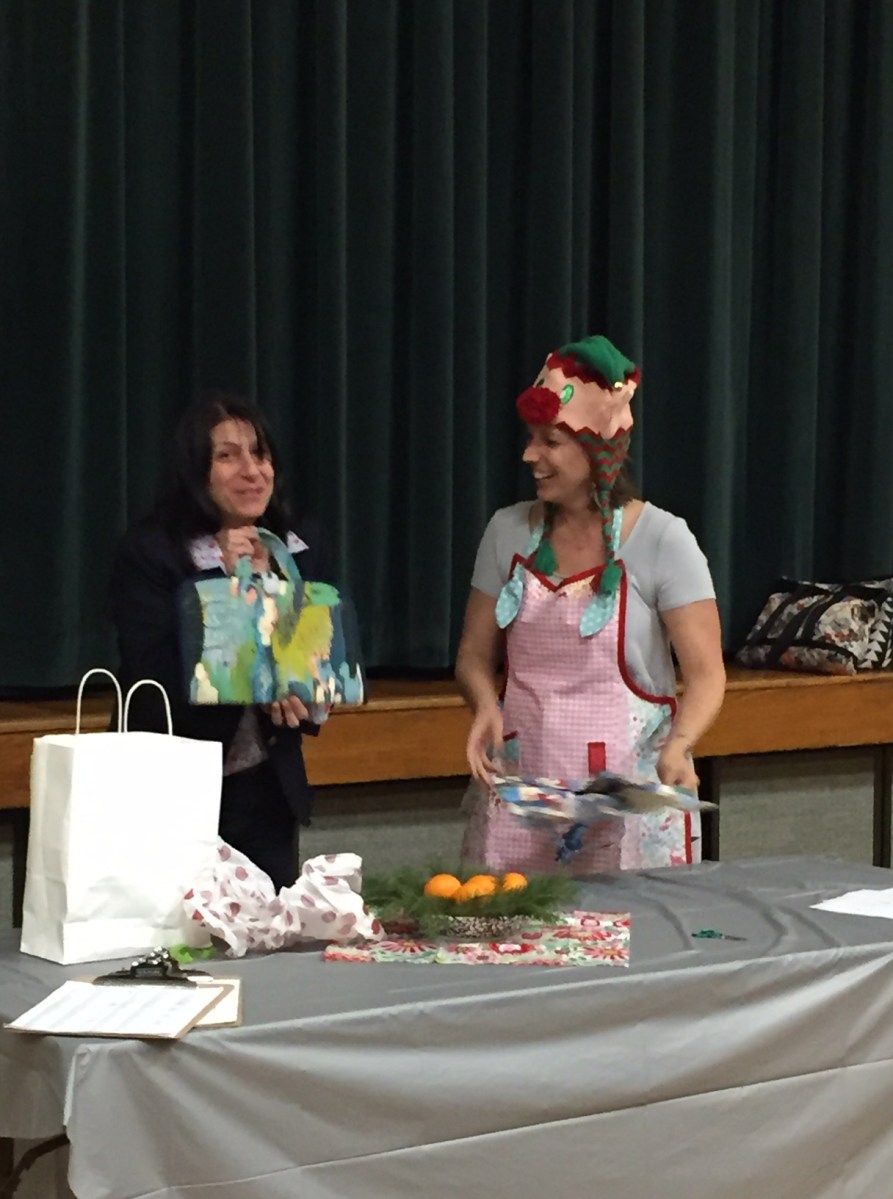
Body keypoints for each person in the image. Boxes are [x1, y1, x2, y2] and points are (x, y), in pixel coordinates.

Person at [455, 335, 725, 873]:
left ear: (598, 449)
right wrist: (485, 705)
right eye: (531, 439)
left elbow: (707, 675)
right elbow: (473, 657)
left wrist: (680, 745)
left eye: (551, 442)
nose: (530, 455)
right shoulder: (506, 532)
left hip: (628, 813)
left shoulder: (663, 539)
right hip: (523, 804)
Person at [108, 392, 331, 889]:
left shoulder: (297, 545)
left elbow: (316, 656)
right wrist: (226, 589)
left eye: (260, 453)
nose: (252, 471)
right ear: (196, 473)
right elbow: (156, 679)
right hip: (172, 790)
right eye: (228, 456)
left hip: (266, 789)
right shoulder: (151, 553)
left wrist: (300, 688)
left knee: (270, 928)